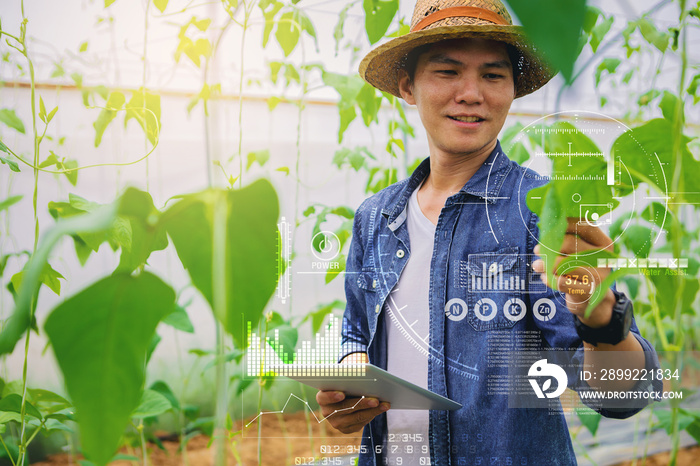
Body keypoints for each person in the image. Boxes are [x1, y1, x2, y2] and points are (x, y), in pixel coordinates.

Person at [316, 0, 661, 464]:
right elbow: (356, 335)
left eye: (493, 75)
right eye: (447, 71)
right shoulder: (375, 217)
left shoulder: (540, 211)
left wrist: (599, 316)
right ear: (408, 86)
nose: (471, 93)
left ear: (512, 91)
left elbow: (620, 398)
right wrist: (351, 378)